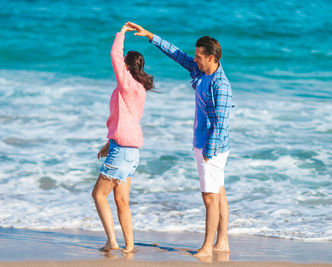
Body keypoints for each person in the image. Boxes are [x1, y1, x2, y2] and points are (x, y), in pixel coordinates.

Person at [127, 21, 232, 257]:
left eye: (199, 56)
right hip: (206, 143)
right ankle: (222, 242)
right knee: (219, 192)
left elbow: (222, 123)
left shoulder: (221, 85)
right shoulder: (201, 72)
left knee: (209, 198)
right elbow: (177, 54)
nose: (194, 59)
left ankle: (207, 247)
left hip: (211, 147)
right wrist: (150, 36)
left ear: (212, 58)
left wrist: (208, 152)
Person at [91, 22, 154, 253]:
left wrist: (122, 32)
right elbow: (126, 118)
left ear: (127, 66)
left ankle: (112, 241)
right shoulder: (139, 88)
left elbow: (113, 54)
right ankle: (129, 246)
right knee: (121, 201)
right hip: (131, 150)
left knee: (98, 195)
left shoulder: (126, 83)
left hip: (123, 150)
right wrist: (110, 142)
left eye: (123, 62)